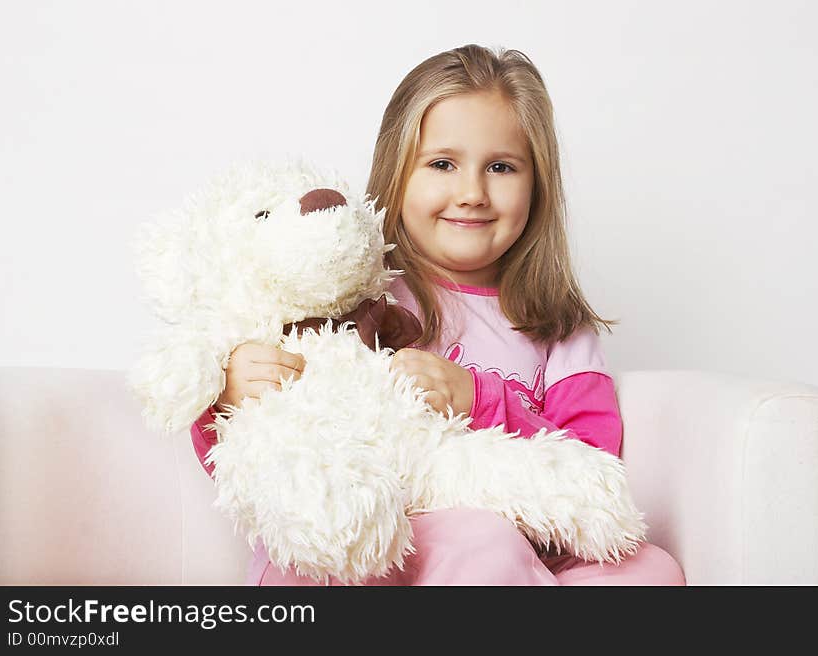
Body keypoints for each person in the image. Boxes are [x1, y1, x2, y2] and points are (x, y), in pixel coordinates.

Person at [191, 44, 685, 586]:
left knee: (650, 571)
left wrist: (480, 400)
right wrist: (231, 393)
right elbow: (257, 450)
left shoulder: (558, 327)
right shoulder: (350, 294)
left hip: (520, 549)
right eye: (443, 164)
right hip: (370, 547)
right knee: (481, 543)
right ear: (397, 172)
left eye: (500, 167)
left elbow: (591, 468)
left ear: (537, 186)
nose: (471, 193)